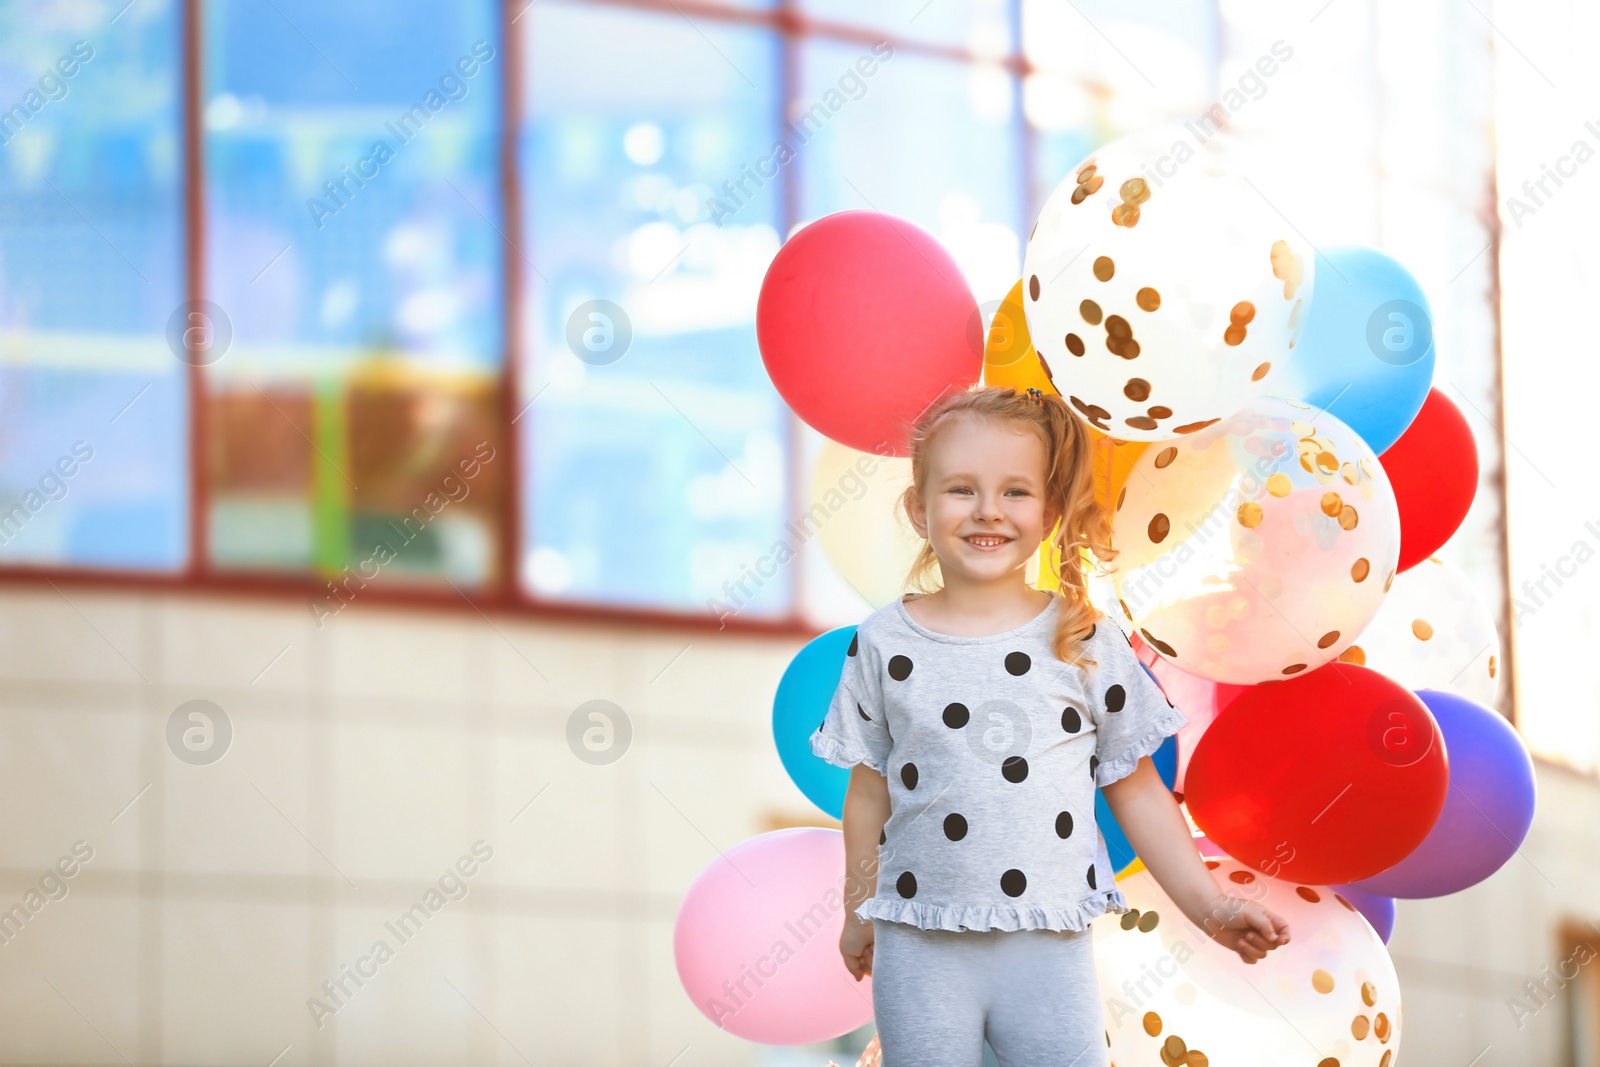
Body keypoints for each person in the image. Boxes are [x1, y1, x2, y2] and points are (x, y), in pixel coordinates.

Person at [810, 385, 1291, 1067]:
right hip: (920, 944)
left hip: (1048, 946)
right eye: (960, 490)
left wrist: (1210, 908)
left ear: (1050, 511)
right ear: (919, 508)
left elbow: (1139, 792)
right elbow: (868, 792)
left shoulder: (1085, 640)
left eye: (1015, 492)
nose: (987, 511)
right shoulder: (886, 641)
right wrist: (858, 909)